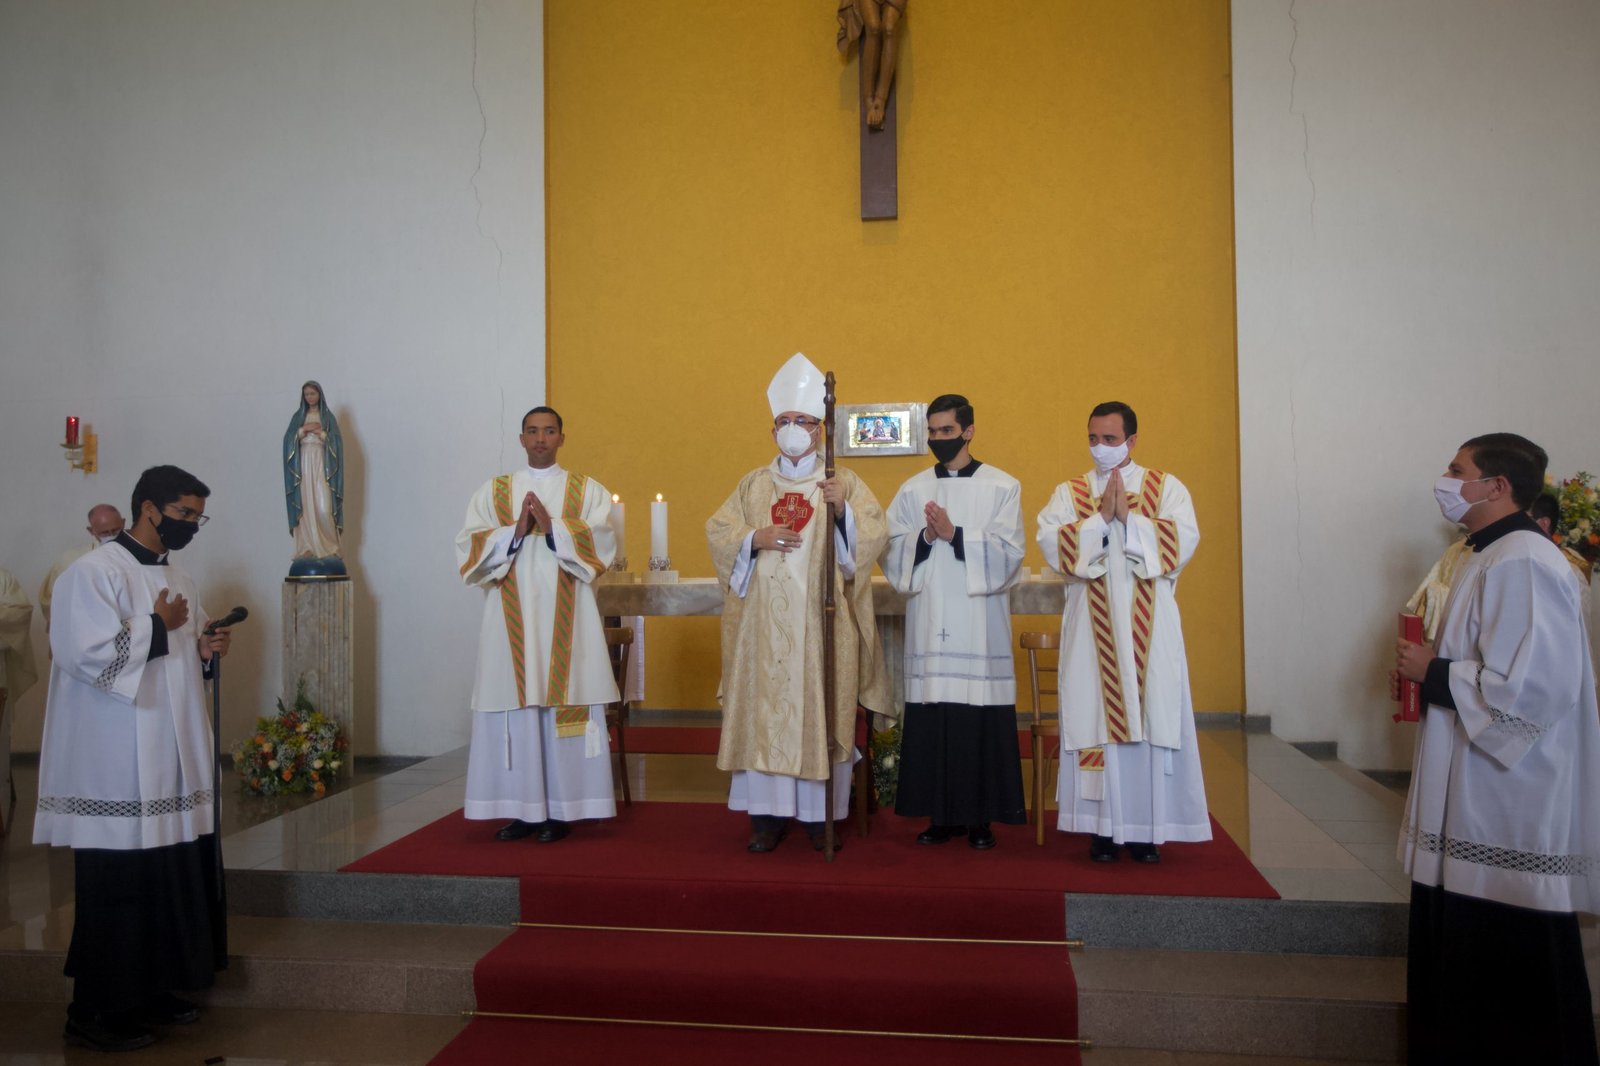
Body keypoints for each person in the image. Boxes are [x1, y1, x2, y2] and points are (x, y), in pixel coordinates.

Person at [1392, 433, 1600, 1065]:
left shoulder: (1525, 561)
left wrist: (1433, 671)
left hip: (1507, 796)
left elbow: (1534, 689)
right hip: (1473, 785)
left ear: (1498, 486)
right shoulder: (1487, 554)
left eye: (1458, 470)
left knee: (1511, 950)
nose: (1446, 480)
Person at [32, 465, 231, 1053]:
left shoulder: (180, 577)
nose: (191, 525)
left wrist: (202, 649)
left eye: (198, 518)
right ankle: (94, 1011)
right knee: (116, 888)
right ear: (149, 508)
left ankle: (150, 989)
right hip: (116, 760)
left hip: (169, 757)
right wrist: (155, 627)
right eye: (184, 514)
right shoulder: (92, 573)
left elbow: (174, 662)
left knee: (164, 878)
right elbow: (80, 652)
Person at [706, 352, 892, 853]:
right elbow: (719, 531)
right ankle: (766, 819)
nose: (793, 429)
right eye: (784, 421)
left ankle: (817, 817)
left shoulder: (842, 482)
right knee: (764, 714)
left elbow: (872, 538)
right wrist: (754, 537)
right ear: (773, 430)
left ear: (819, 429)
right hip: (760, 629)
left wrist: (843, 511)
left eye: (803, 421)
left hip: (821, 626)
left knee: (820, 713)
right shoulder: (754, 484)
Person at [1035, 401, 1209, 863]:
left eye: (1110, 439)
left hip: (1150, 633)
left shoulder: (1165, 488)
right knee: (1096, 719)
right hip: (1092, 637)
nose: (1100, 448)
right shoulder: (1070, 493)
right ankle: (1101, 830)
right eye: (1093, 438)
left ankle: (1145, 831)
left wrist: (1129, 519)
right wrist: (1101, 520)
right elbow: (1053, 543)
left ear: (1132, 440)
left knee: (1149, 717)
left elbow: (1182, 543)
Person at [456, 406, 618, 844]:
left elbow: (603, 543)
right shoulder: (494, 492)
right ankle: (522, 810)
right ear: (521, 438)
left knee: (559, 705)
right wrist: (515, 531)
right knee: (518, 711)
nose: (541, 439)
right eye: (533, 431)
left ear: (562, 437)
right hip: (510, 622)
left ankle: (561, 811)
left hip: (568, 621)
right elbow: (467, 547)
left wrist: (553, 528)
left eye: (549, 431)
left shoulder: (587, 491)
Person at [882, 394, 1026, 849]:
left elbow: (1011, 555)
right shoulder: (912, 490)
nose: (938, 438)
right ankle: (941, 818)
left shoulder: (1002, 487)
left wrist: (955, 534)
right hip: (930, 623)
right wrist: (925, 537)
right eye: (932, 431)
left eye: (946, 430)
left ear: (969, 431)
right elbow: (890, 548)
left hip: (980, 627)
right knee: (935, 720)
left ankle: (980, 820)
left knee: (976, 722)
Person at [283, 380, 345, 568]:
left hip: (321, 463)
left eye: (313, 393)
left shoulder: (328, 417)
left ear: (319, 394)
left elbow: (336, 442)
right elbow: (288, 441)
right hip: (302, 464)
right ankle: (307, 546)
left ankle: (330, 547)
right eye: (307, 394)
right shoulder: (298, 417)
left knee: (324, 508)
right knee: (305, 506)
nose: (310, 397)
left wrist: (322, 434)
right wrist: (303, 430)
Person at [38, 504, 124, 633]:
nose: (111, 536)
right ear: (91, 530)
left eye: (116, 530)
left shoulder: (137, 554)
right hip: (85, 630)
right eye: (105, 532)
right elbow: (51, 602)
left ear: (123, 523)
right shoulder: (70, 560)